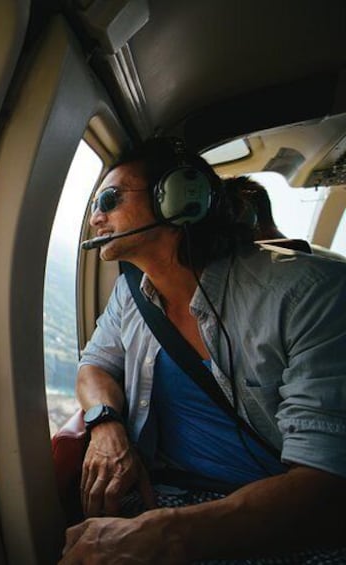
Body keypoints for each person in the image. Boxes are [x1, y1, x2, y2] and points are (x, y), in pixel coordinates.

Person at [61, 138, 346, 564]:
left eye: (111, 199)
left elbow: (326, 483)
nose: (95, 218)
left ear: (179, 198)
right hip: (167, 493)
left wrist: (165, 536)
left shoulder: (310, 294)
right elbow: (95, 365)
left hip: (282, 522)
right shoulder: (129, 294)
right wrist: (105, 425)